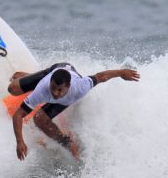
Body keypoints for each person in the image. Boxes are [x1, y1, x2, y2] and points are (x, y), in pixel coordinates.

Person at [8, 62, 140, 160]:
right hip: (53, 71)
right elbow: (18, 115)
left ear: (68, 87)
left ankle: (67, 142)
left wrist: (122, 73)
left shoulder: (80, 87)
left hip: (67, 77)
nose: (55, 93)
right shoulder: (42, 90)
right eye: (53, 88)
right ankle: (32, 76)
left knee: (39, 120)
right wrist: (20, 141)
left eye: (59, 90)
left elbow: (101, 76)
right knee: (12, 88)